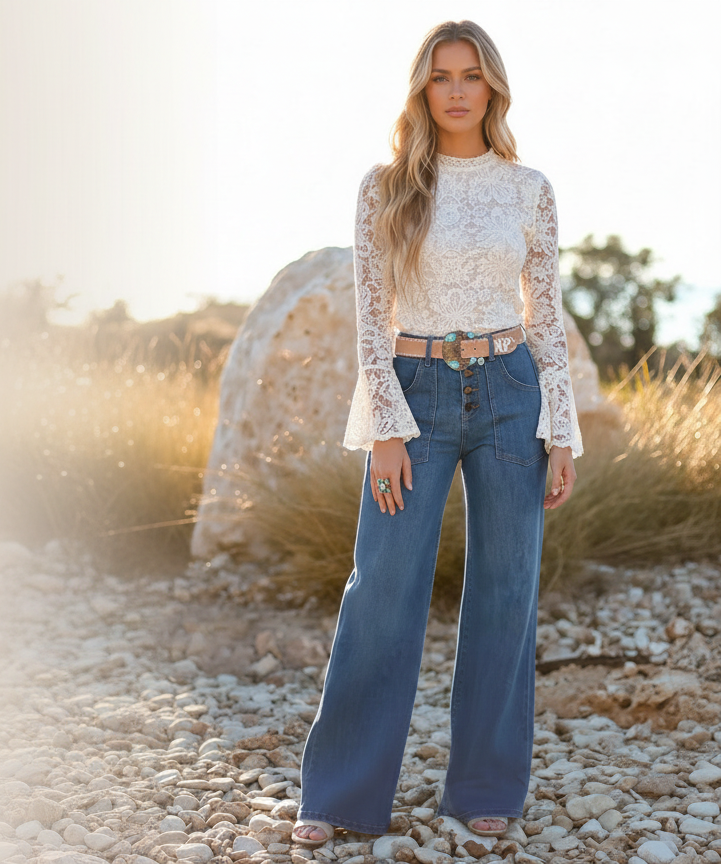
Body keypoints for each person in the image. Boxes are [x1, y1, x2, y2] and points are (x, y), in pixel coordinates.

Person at [292, 20, 583, 846]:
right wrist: (385, 425)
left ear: (492, 88)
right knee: (380, 591)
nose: (456, 89)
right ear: (422, 89)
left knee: (505, 594)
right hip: (414, 388)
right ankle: (342, 795)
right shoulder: (386, 187)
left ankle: (484, 786)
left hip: (508, 391)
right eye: (441, 76)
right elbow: (370, 316)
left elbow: (547, 316)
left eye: (471, 75)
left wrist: (561, 429)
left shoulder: (529, 188)